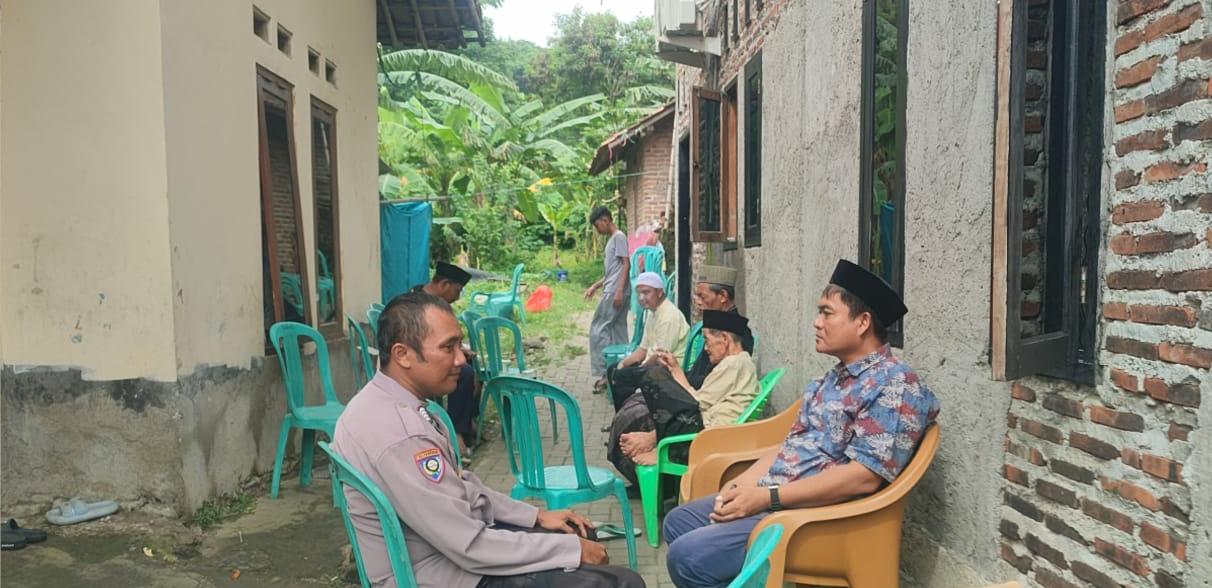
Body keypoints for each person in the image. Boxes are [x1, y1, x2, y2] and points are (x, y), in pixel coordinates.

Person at [332, 293, 645, 588]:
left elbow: (461, 489)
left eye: (460, 345)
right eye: (448, 347)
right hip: (436, 572)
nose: (461, 359)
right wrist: (570, 551)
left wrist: (536, 516)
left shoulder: (385, 403)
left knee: (577, 531)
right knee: (620, 581)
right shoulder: (401, 434)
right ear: (403, 355)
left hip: (442, 549)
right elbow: (468, 545)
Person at [662, 260, 940, 588]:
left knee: (688, 557)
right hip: (777, 498)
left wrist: (767, 498)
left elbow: (862, 478)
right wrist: (740, 486)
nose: (816, 322)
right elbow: (791, 446)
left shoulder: (894, 384)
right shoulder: (831, 380)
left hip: (819, 519)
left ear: (863, 322)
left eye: (826, 313)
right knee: (678, 521)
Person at [606, 310, 759, 487]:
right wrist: (674, 368)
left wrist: (671, 373)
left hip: (708, 434)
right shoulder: (738, 362)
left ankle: (660, 447)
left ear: (724, 339)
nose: (706, 348)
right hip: (705, 426)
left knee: (653, 375)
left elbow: (696, 402)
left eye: (707, 341)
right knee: (659, 379)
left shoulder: (733, 364)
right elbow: (696, 399)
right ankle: (655, 441)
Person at [412, 262, 478, 450]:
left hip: (436, 352)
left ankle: (468, 420)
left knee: (469, 364)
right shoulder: (414, 304)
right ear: (444, 285)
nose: (457, 297)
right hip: (420, 357)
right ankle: (457, 432)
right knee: (464, 372)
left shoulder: (440, 304)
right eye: (457, 291)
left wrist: (457, 349)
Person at [605, 272, 690, 411]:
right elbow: (643, 349)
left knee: (622, 378)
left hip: (666, 369)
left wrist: (639, 369)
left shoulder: (668, 317)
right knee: (613, 369)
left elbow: (660, 357)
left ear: (659, 292)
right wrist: (624, 363)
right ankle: (622, 416)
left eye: (646, 292)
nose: (641, 298)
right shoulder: (653, 312)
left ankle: (629, 417)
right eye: (639, 293)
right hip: (651, 364)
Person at [583, 207, 630, 394]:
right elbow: (612, 272)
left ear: (605, 220)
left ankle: (605, 373)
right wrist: (595, 286)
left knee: (598, 330)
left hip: (614, 292)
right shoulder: (614, 239)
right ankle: (621, 371)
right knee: (617, 330)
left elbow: (626, 263)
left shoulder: (619, 237)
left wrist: (619, 290)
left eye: (597, 225)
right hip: (614, 290)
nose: (597, 230)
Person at [685, 265, 753, 389]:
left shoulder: (736, 332)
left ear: (723, 296)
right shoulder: (715, 326)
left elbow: (709, 382)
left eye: (702, 297)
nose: (698, 302)